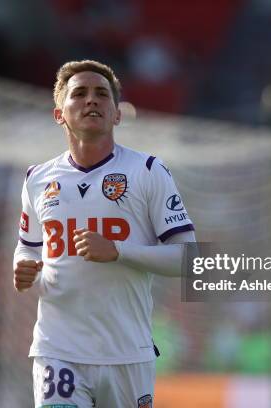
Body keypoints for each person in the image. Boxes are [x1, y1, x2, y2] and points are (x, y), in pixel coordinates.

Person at [13, 60, 195, 408]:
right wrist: (23, 267)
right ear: (59, 114)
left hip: (126, 352)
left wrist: (119, 250)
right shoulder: (37, 179)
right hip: (58, 349)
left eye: (101, 94)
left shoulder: (147, 171)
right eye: (78, 94)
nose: (91, 100)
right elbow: (28, 248)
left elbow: (189, 259)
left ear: (117, 115)